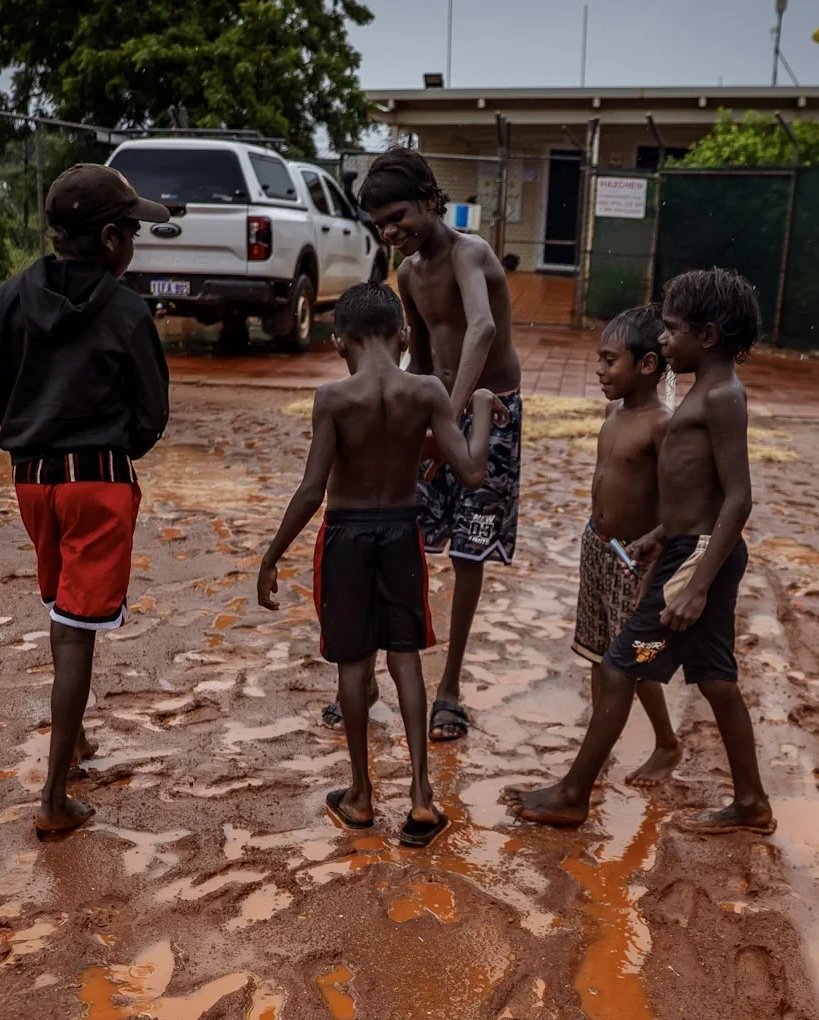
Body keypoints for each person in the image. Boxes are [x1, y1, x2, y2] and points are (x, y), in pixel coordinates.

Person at [507, 269, 772, 834]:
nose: (663, 341)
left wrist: (696, 582)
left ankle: (573, 794)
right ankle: (751, 803)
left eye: (672, 331)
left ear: (706, 335)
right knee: (717, 680)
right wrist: (661, 536)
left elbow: (738, 498)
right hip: (684, 551)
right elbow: (695, 491)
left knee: (623, 664)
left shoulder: (722, 396)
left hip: (696, 563)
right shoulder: (705, 391)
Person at [0, 165, 170, 836]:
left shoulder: (16, 293)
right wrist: (113, 446)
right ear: (110, 239)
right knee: (79, 627)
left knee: (61, 609)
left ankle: (73, 743)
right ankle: (53, 799)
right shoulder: (127, 309)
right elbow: (152, 415)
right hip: (98, 480)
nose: (134, 242)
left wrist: (29, 423)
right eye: (132, 231)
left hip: (33, 481)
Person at [255, 283, 493, 849]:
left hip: (346, 537)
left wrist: (271, 557)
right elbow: (472, 473)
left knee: (353, 662)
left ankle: (361, 795)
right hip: (402, 534)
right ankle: (421, 797)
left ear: (340, 342)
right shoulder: (429, 389)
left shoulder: (333, 398)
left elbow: (313, 489)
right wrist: (481, 407)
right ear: (403, 336)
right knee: (405, 658)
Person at [354, 148, 523, 745]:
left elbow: (482, 328)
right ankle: (372, 676)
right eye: (380, 225)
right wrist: (388, 409)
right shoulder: (407, 274)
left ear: (431, 200)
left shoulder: (469, 252)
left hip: (488, 415)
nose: (391, 231)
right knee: (399, 533)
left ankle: (449, 688)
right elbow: (420, 359)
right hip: (438, 413)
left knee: (469, 551)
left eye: (398, 216)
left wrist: (449, 418)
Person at [574, 304, 680, 785]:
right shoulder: (612, 412)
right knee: (599, 653)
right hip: (597, 546)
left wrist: (656, 554)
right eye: (599, 359)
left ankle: (666, 743)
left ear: (648, 365)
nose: (600, 370)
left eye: (610, 360)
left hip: (633, 559)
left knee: (630, 659)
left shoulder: (663, 425)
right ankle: (601, 746)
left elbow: (682, 500)